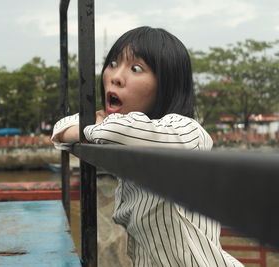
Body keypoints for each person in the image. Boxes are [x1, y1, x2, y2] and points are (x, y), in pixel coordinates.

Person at [52, 26, 243, 267]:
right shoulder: (131, 142)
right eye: (112, 63)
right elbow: (60, 128)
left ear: (166, 84)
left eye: (136, 68)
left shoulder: (186, 130)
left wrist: (95, 125)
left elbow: (113, 130)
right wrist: (93, 125)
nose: (115, 76)